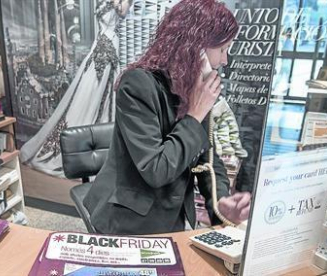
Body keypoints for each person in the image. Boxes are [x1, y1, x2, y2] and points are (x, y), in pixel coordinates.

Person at [83, 0, 251, 235]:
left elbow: (205, 158)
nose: (225, 61)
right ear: (195, 48)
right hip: (128, 218)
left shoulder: (194, 87)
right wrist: (195, 114)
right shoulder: (138, 84)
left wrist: (220, 199)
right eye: (222, 49)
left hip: (172, 214)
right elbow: (156, 169)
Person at [20, 0, 133, 176]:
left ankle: (99, 147)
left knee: (99, 95)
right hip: (103, 48)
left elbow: (121, 13)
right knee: (88, 95)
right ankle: (84, 147)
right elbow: (115, 13)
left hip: (107, 47)